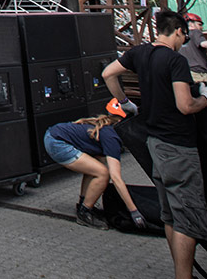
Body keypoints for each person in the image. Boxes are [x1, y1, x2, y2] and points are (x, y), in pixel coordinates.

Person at [103, 11, 207, 279]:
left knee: (170, 214)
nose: (184, 40)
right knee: (188, 217)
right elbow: (185, 105)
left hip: (154, 144)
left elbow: (108, 73)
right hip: (178, 146)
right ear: (178, 31)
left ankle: (181, 271)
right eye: (184, 35)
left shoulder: (140, 53)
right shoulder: (176, 60)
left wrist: (125, 103)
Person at [43, 98, 148, 230]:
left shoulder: (107, 127)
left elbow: (99, 162)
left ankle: (84, 204)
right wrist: (134, 211)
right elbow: (116, 178)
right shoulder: (112, 137)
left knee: (96, 168)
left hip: (53, 135)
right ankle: (84, 213)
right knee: (103, 173)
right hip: (57, 143)